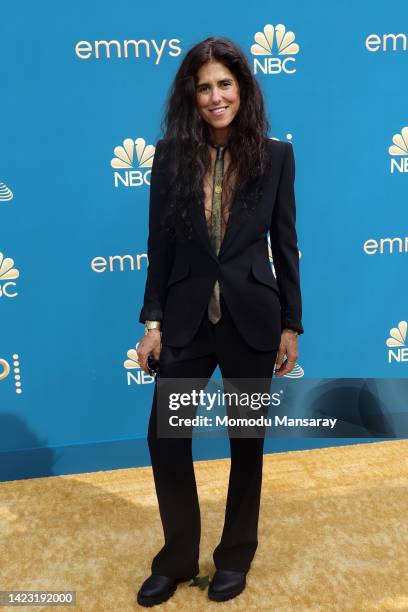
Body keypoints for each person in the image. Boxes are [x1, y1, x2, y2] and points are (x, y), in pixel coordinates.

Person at [136, 36, 304, 606]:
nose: (215, 96)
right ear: (192, 94)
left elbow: (286, 245)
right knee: (167, 436)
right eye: (204, 86)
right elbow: (159, 245)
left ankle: (234, 557)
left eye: (225, 84)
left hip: (252, 321)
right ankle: (177, 559)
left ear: (243, 89)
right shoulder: (170, 155)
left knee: (246, 442)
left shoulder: (276, 156)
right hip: (185, 322)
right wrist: (152, 321)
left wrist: (291, 324)